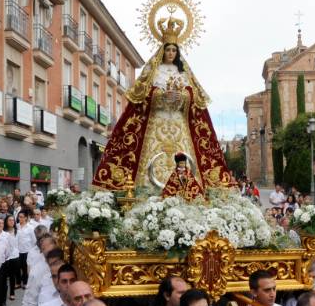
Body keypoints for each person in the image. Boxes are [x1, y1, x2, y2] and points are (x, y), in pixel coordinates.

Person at [92, 37, 233, 192]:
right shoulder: (154, 71)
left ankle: (185, 189)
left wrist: (183, 96)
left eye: (174, 50)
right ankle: (147, 190)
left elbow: (194, 96)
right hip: (157, 119)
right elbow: (142, 94)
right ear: (163, 51)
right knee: (151, 153)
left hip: (179, 123)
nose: (171, 53)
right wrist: (159, 95)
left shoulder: (184, 73)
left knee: (183, 152)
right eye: (168, 50)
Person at [2, 215, 20, 301]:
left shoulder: (17, 231)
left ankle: (12, 292)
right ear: (6, 221)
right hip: (5, 257)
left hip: (15, 256)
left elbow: (19, 244)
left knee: (12, 276)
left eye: (13, 220)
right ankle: (3, 293)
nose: (12, 222)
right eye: (9, 220)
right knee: (4, 276)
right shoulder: (3, 232)